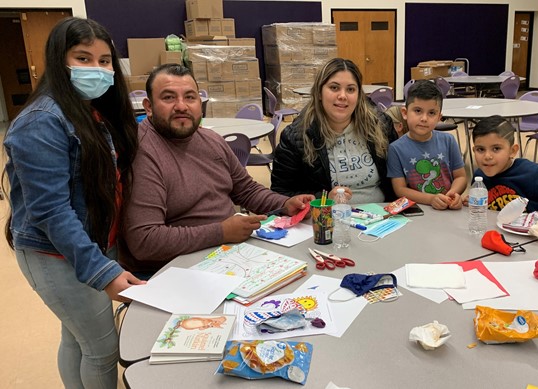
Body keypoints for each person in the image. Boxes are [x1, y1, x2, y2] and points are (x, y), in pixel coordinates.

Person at [2, 17, 144, 389]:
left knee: (76, 337)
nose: (96, 69)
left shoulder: (91, 109)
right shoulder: (41, 121)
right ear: (58, 61)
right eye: (83, 59)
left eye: (103, 61)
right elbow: (50, 211)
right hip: (56, 253)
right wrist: (103, 272)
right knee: (101, 349)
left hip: (94, 241)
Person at [120, 64, 313, 274]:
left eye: (190, 97)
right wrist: (220, 232)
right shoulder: (142, 151)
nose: (181, 106)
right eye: (168, 98)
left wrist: (285, 204)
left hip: (227, 257)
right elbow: (145, 241)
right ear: (148, 106)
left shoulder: (210, 140)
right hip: (174, 271)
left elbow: (246, 190)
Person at [270, 58, 399, 204]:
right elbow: (280, 194)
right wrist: (323, 199)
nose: (342, 96)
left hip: (383, 217)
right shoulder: (296, 136)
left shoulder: (380, 125)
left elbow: (398, 177)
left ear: (358, 96)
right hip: (327, 221)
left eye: (350, 89)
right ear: (319, 93)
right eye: (334, 88)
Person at [464, 115, 538, 224]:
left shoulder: (533, 175)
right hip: (501, 240)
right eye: (480, 149)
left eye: (496, 149)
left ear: (513, 151)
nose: (487, 156)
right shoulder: (479, 178)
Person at [386, 80, 467, 210]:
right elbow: (399, 189)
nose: (424, 118)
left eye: (431, 113)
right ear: (405, 113)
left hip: (447, 208)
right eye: (418, 111)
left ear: (439, 117)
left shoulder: (448, 140)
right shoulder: (396, 148)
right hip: (419, 209)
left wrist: (454, 193)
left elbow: (461, 177)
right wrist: (430, 199)